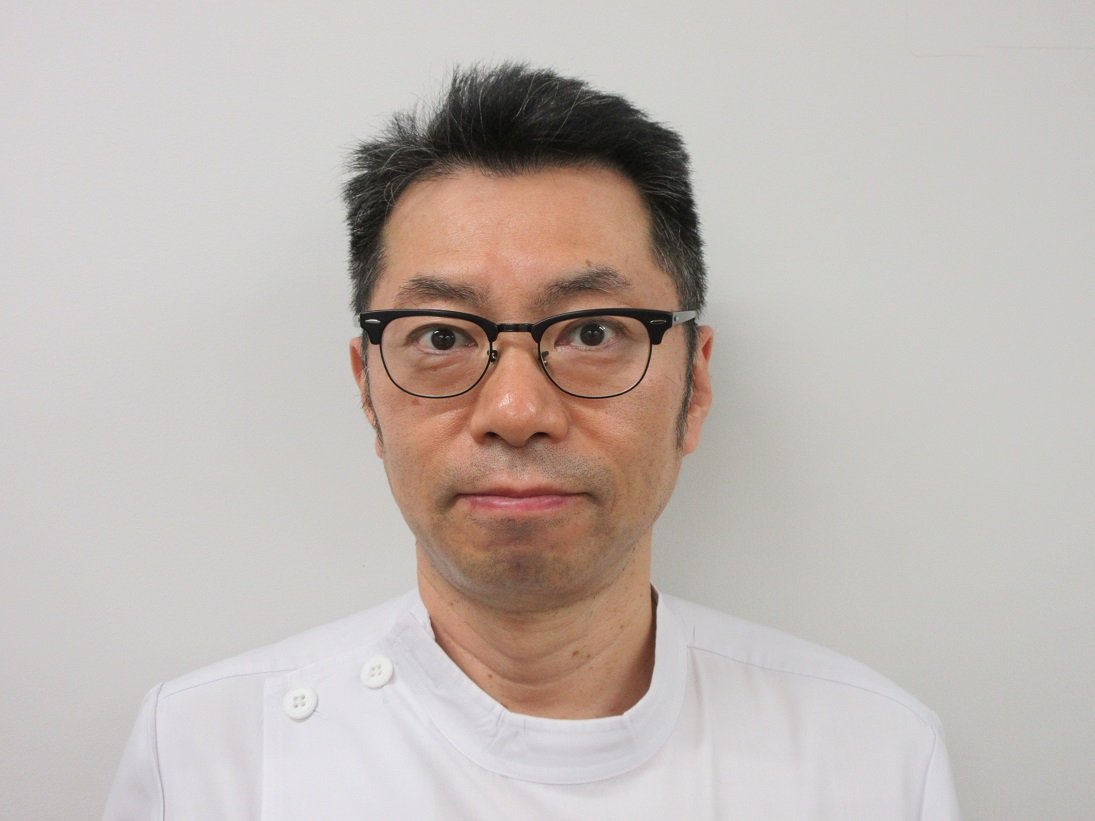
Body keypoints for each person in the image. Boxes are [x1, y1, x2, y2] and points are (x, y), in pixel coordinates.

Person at [104, 64, 961, 819]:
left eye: (592, 331)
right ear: (368, 390)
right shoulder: (211, 756)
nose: (515, 410)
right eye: (442, 336)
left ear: (694, 385)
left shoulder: (871, 757)